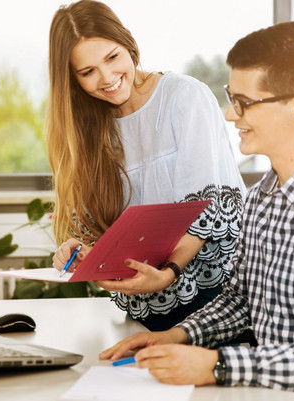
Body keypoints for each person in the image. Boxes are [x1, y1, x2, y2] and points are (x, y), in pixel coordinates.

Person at [99, 21, 294, 399]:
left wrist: (219, 366)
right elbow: (242, 301)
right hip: (269, 390)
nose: (231, 116)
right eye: (233, 98)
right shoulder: (262, 197)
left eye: (244, 103)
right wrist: (175, 336)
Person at [46, 0, 246, 331]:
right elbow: (108, 234)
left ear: (128, 42)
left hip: (213, 300)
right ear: (73, 80)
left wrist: (167, 273)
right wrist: (81, 251)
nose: (107, 78)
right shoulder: (86, 131)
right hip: (140, 310)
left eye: (112, 58)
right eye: (88, 72)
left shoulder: (184, 97)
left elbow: (204, 210)